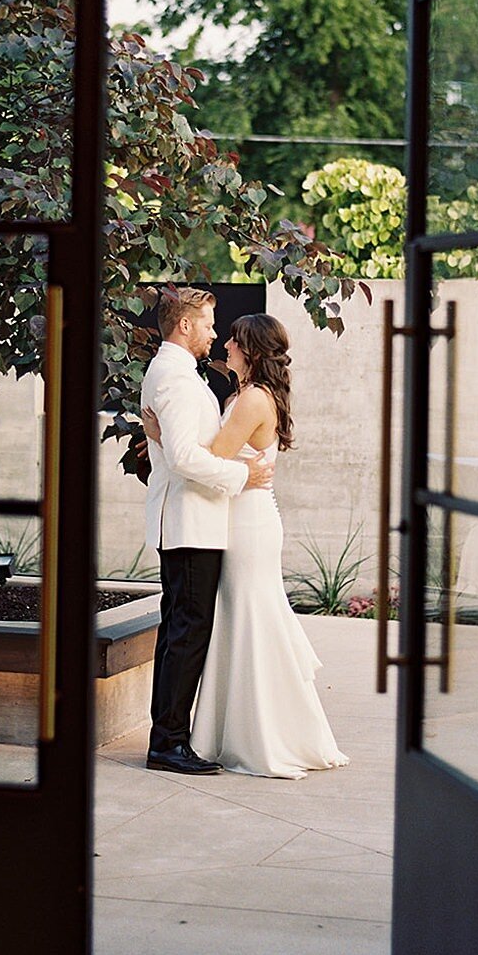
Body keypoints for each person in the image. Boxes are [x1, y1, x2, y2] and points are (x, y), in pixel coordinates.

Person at [143, 312, 348, 781]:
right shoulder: (240, 395)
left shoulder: (253, 399)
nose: (224, 343)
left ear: (251, 351)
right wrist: (168, 442)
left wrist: (161, 437)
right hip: (230, 517)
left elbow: (209, 456)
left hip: (247, 524)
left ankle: (265, 731)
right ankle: (223, 730)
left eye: (234, 340)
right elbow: (203, 455)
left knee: (252, 621)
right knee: (232, 624)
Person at [140, 286, 276, 776]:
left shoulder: (178, 372)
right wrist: (244, 475)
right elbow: (182, 456)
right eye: (208, 324)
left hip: (194, 518)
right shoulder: (174, 375)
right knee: (186, 633)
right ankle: (169, 743)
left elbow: (179, 446)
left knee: (182, 630)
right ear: (184, 326)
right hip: (190, 520)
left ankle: (169, 736)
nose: (215, 334)